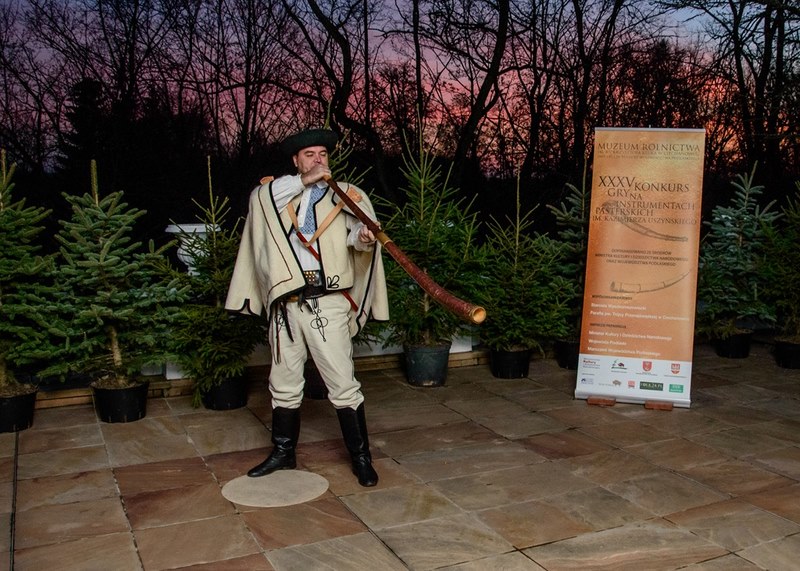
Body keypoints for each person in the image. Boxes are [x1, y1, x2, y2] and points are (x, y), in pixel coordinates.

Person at [225, 128, 389, 487]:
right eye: (310, 154)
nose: (318, 159)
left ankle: (361, 458)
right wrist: (304, 181)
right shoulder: (276, 194)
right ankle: (283, 452)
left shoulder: (347, 194)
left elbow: (355, 239)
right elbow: (260, 198)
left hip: (326, 302)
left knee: (342, 383)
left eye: (323, 154)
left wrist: (363, 238)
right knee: (283, 383)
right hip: (286, 306)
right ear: (296, 161)